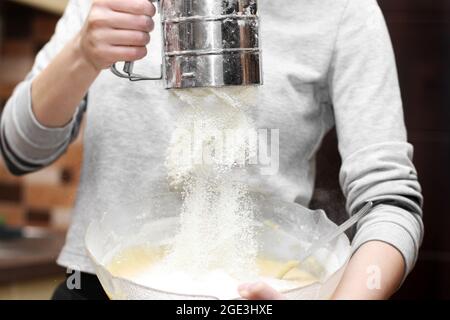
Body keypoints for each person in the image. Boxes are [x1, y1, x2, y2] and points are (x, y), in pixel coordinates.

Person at [0, 0, 423, 300]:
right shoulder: (106, 5)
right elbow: (18, 151)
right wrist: (81, 54)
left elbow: (389, 204)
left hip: (253, 290)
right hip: (101, 287)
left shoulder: (342, 12)